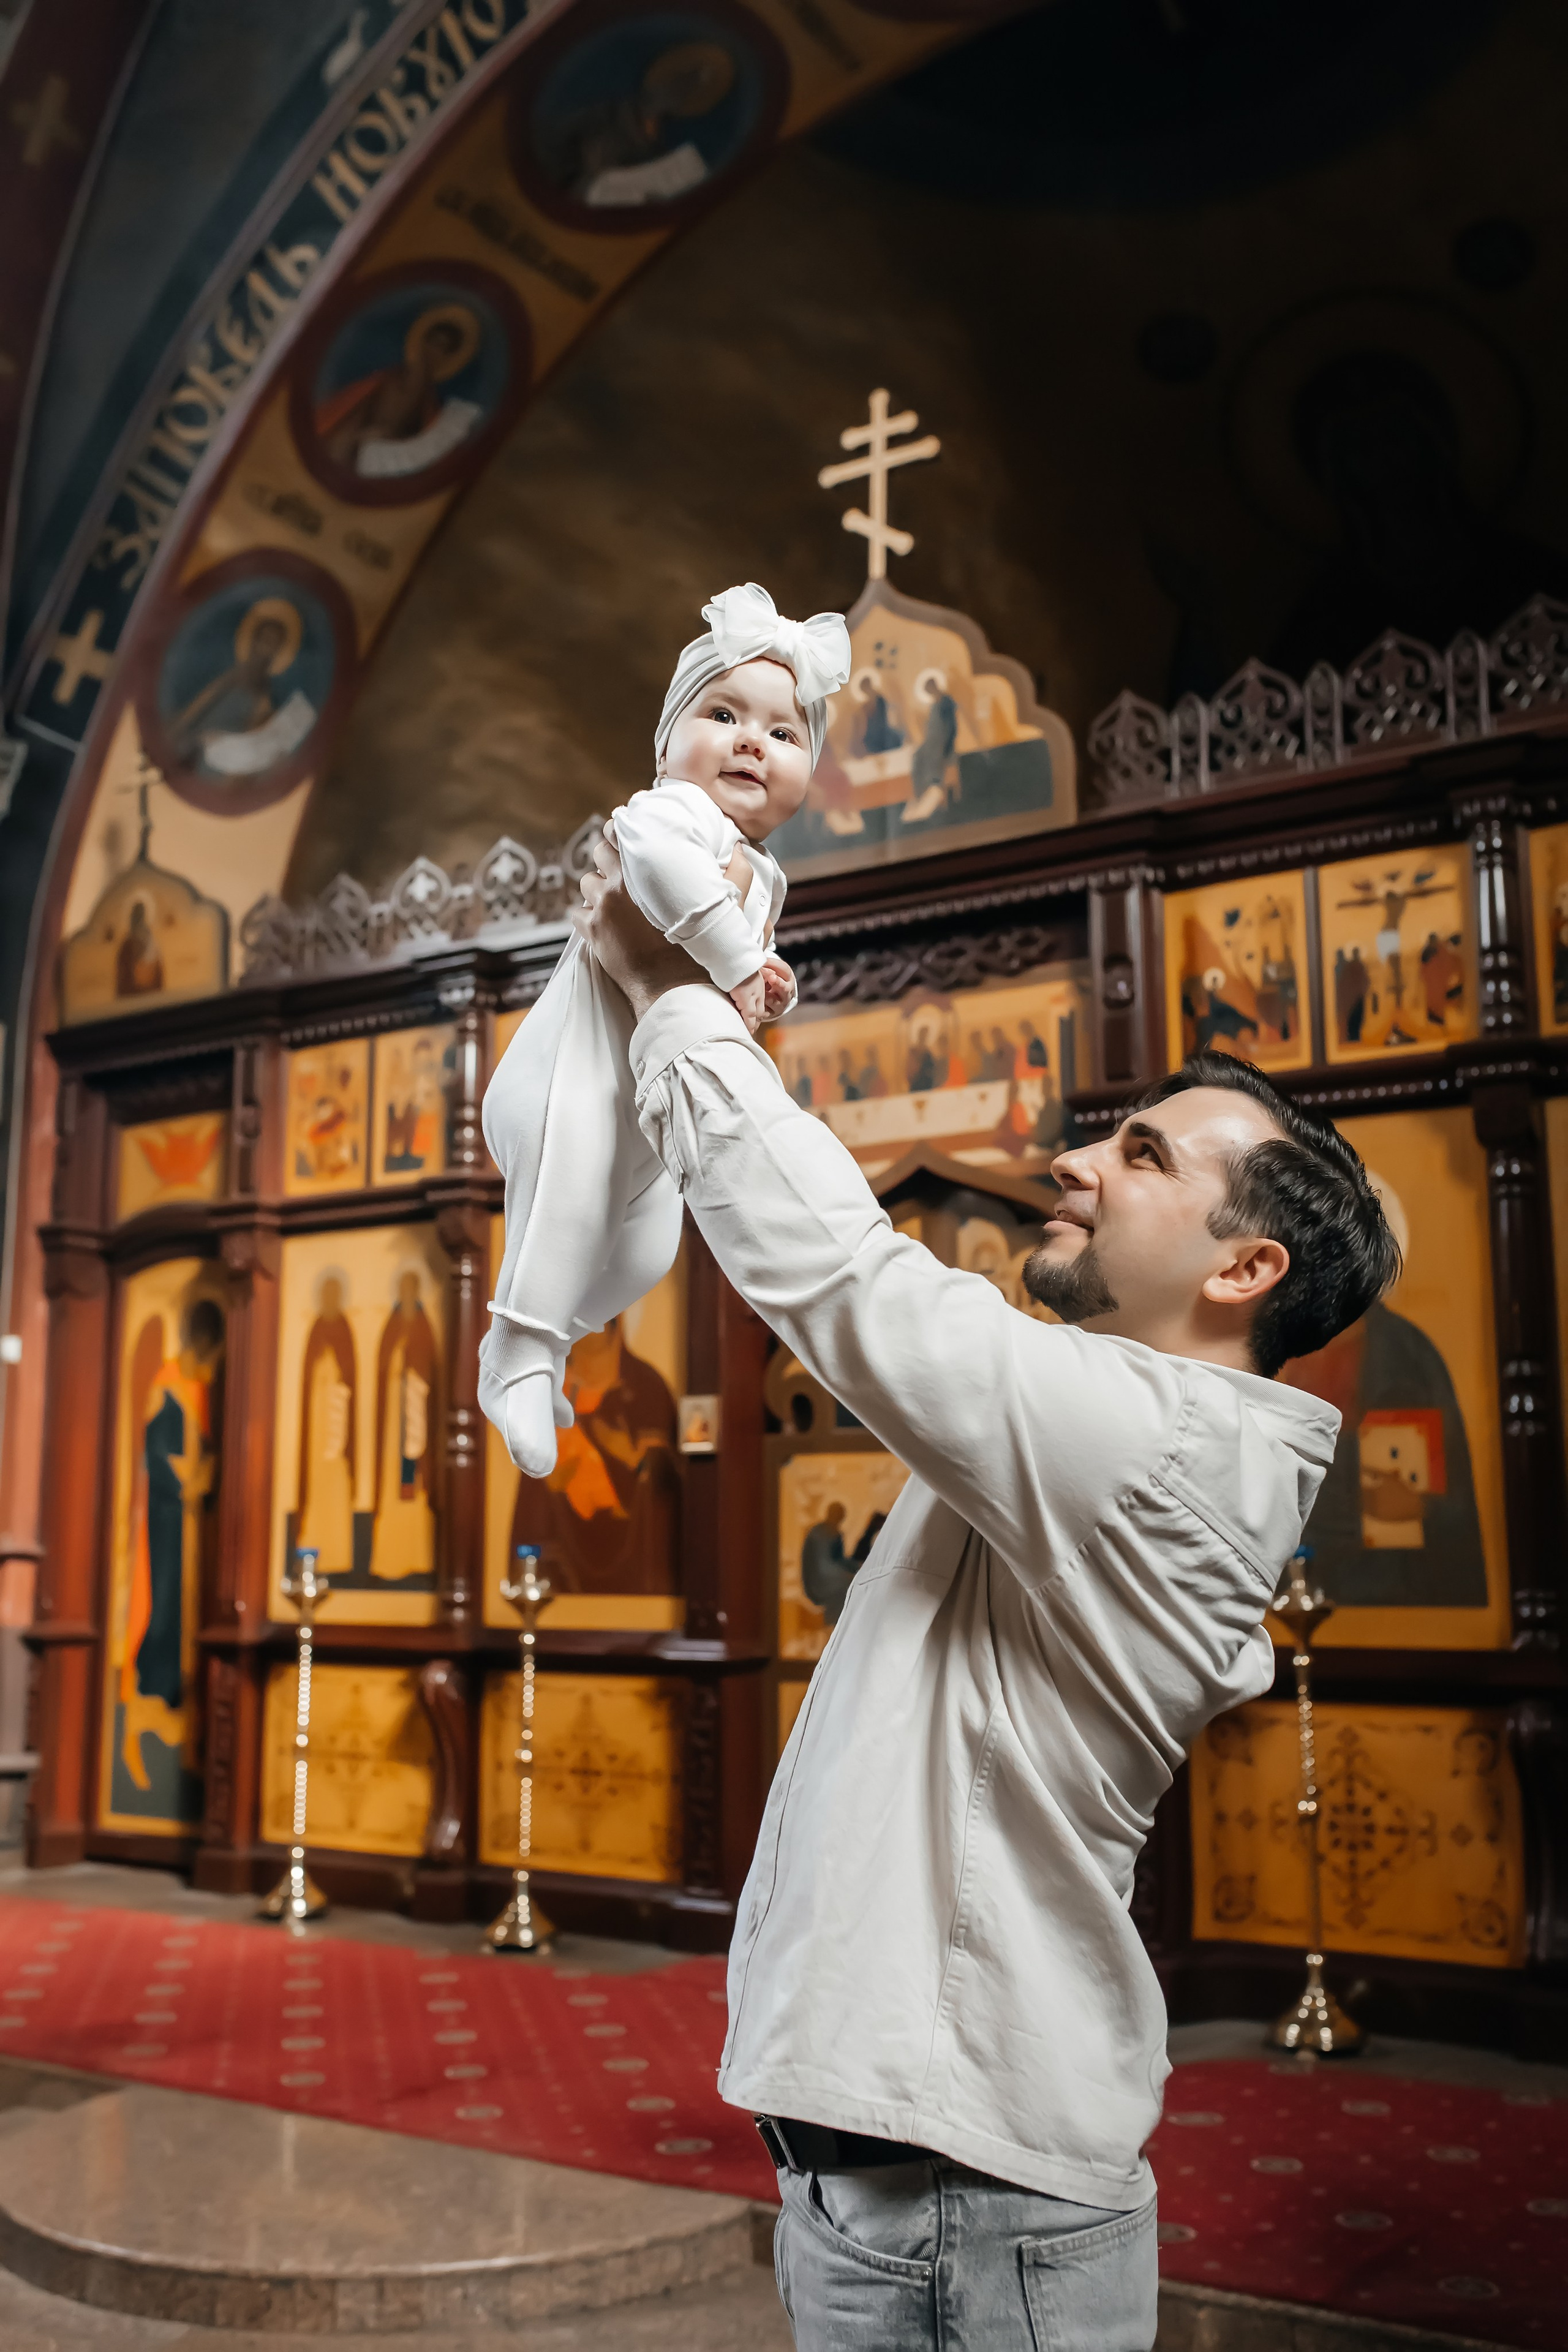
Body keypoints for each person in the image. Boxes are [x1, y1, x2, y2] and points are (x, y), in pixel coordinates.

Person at [576, 850, 1400, 2352]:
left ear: (1246, 1267)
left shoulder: (1155, 1441)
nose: (1078, 1159)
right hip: (929, 2177)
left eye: (1144, 1156)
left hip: (971, 2199)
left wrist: (672, 1003)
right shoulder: (1131, 1429)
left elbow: (848, 1280)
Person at [480, 582, 850, 1480]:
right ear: (667, 743)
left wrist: (763, 983)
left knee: (648, 1251)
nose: (752, 740)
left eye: (784, 731)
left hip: (640, 1102)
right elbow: (664, 878)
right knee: (570, 1196)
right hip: (571, 1080)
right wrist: (734, 957)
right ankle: (518, 1349)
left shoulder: (765, 873)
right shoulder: (667, 814)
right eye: (723, 713)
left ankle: (549, 1342)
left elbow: (733, 958)